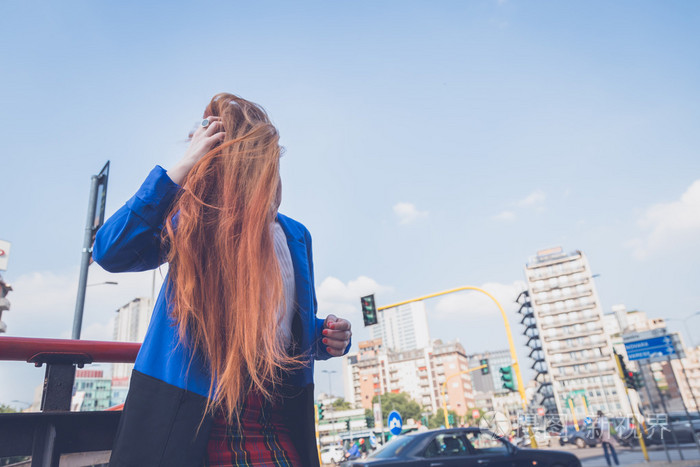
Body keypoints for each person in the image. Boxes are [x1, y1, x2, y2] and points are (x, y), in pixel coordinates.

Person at [93, 93, 352, 467]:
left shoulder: (296, 236)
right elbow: (109, 251)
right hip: (191, 421)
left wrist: (325, 336)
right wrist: (181, 167)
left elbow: (280, 330)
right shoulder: (192, 219)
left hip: (274, 421)